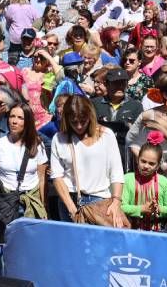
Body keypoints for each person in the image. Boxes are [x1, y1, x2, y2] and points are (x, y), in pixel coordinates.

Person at [48, 96, 128, 225]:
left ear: (90, 116)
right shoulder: (59, 138)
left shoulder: (106, 135)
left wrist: (116, 202)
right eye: (74, 122)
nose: (79, 126)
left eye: (83, 121)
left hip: (100, 201)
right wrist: (72, 209)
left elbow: (116, 171)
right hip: (70, 200)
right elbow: (57, 176)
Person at [0, 103, 48, 227]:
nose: (14, 121)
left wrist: (44, 208)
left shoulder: (37, 145)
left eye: (20, 118)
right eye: (12, 116)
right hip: (4, 203)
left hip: (29, 203)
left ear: (27, 121)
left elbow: (42, 179)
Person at [121, 138, 167, 232]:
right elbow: (120, 206)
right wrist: (142, 208)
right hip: (130, 231)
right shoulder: (127, 179)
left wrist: (159, 209)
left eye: (151, 163)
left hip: (158, 233)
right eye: (143, 161)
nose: (146, 166)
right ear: (137, 159)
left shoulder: (164, 182)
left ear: (158, 165)